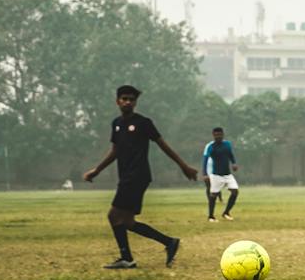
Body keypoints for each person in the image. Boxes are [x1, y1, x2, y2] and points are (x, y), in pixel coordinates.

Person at [83, 85, 198, 269]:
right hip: (126, 175)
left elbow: (163, 145)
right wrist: (97, 170)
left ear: (135, 103)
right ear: (117, 101)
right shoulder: (117, 124)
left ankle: (127, 258)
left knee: (113, 215)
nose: (128, 102)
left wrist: (183, 166)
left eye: (131, 99)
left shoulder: (144, 123)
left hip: (137, 175)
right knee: (127, 222)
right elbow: (115, 150)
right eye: (124, 98)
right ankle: (169, 242)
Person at [201, 127, 239, 220]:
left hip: (227, 174)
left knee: (235, 191)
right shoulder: (211, 146)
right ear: (213, 135)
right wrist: (205, 174)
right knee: (213, 195)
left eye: (220, 134)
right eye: (216, 135)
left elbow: (230, 155)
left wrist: (234, 163)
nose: (218, 136)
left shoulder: (227, 144)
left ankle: (226, 213)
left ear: (223, 134)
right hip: (216, 175)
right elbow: (205, 160)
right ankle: (211, 216)